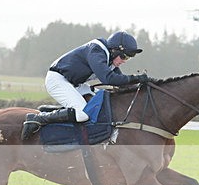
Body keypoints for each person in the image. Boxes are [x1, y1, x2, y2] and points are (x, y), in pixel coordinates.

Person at [21, 31, 149, 139]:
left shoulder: (110, 58)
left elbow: (121, 83)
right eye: (124, 57)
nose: (124, 61)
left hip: (75, 84)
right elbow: (109, 79)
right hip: (58, 79)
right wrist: (136, 78)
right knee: (83, 114)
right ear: (115, 50)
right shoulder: (96, 51)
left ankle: (51, 111)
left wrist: (143, 85)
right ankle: (40, 118)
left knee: (101, 103)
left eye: (128, 58)